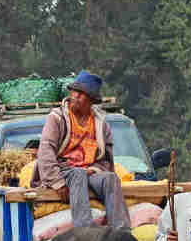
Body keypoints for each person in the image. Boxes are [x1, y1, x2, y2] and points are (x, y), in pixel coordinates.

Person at [31, 70, 130, 229]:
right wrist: (57, 182)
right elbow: (46, 151)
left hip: (90, 172)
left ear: (91, 100)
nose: (75, 96)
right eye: (74, 91)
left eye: (81, 93)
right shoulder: (57, 117)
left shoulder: (101, 124)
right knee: (78, 174)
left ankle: (122, 232)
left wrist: (94, 170)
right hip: (64, 171)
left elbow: (106, 159)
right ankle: (85, 230)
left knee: (111, 178)